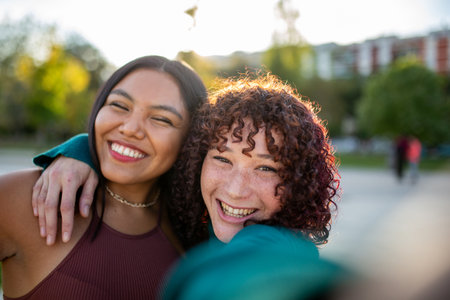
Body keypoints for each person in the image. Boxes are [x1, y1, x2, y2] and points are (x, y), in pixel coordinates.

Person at [32, 74, 345, 299]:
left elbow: (249, 275)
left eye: (265, 168)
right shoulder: (189, 213)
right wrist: (82, 151)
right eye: (222, 160)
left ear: (299, 182)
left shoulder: (280, 245)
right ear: (197, 160)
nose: (236, 190)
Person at [0, 55, 207, 299]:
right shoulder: (28, 198)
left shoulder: (195, 230)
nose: (130, 128)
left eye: (161, 119)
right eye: (119, 105)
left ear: (191, 139)